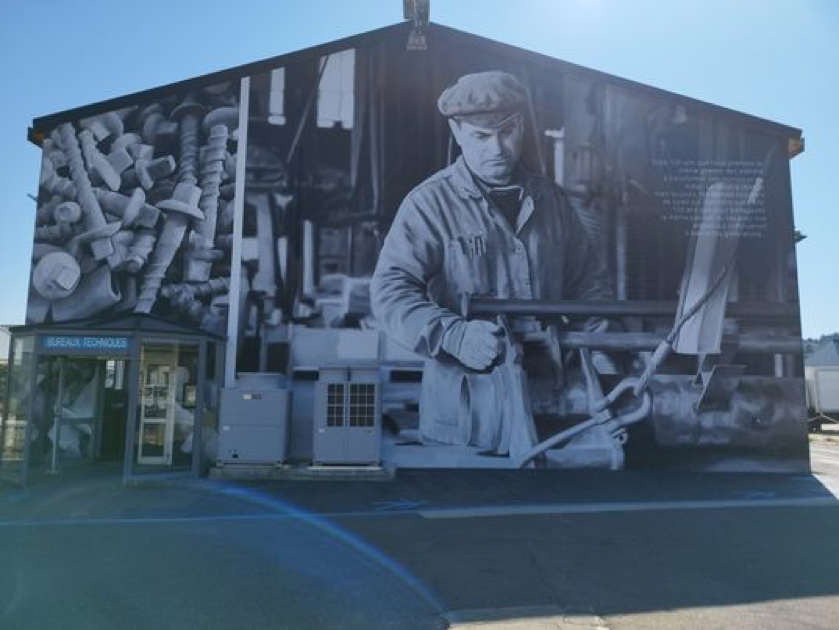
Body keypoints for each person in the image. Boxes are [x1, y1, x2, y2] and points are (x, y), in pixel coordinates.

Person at [371, 70, 612, 449]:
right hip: (465, 418)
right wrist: (453, 334)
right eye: (480, 137)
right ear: (457, 134)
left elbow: (591, 285)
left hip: (554, 411)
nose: (497, 149)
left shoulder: (552, 201)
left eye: (507, 133)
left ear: (521, 126)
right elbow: (389, 293)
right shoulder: (430, 205)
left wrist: (591, 347)